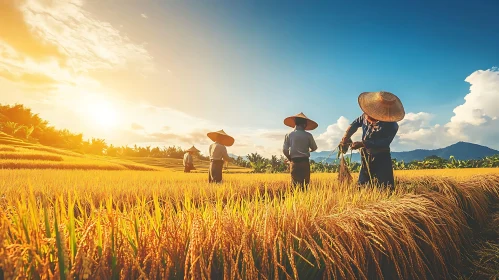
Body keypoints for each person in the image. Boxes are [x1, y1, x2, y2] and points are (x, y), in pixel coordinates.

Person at [338, 91, 405, 190]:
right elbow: (354, 124)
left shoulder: (392, 125)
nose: (368, 117)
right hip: (366, 155)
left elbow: (384, 143)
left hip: (381, 157)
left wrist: (363, 143)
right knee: (363, 185)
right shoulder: (365, 115)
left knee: (384, 186)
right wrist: (345, 139)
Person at [283, 112, 318, 189]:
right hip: (305, 163)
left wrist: (290, 159)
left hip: (294, 163)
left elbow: (285, 150)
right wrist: (309, 150)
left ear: (295, 123)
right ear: (304, 124)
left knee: (294, 186)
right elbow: (314, 148)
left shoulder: (289, 135)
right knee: (305, 186)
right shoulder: (308, 135)